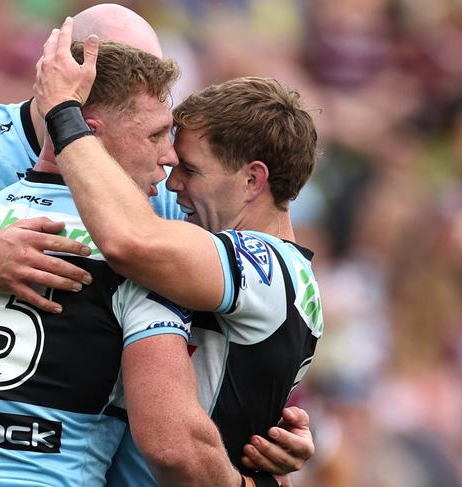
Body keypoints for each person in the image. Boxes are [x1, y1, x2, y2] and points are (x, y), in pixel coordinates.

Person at [0, 3, 313, 482]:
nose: (169, 167)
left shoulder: (159, 191)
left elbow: (236, 329)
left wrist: (261, 418)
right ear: (73, 90)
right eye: (156, 135)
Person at [32, 19, 324, 486]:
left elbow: (131, 241)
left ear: (253, 180)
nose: (173, 182)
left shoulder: (266, 265)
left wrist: (64, 115)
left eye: (191, 169)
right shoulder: (272, 274)